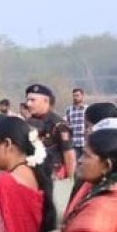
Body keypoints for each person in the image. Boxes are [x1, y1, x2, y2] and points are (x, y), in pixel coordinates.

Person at [23, 84, 76, 216]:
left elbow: (68, 154)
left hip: (54, 179)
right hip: (32, 179)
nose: (28, 104)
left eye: (32, 100)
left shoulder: (58, 124)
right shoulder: (27, 123)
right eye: (27, 100)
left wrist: (70, 182)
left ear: (46, 101)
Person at [64, 87, 87, 155]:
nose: (75, 98)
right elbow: (67, 124)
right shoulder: (69, 110)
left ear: (82, 96)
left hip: (84, 143)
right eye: (74, 96)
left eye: (77, 95)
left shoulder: (87, 109)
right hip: (73, 143)